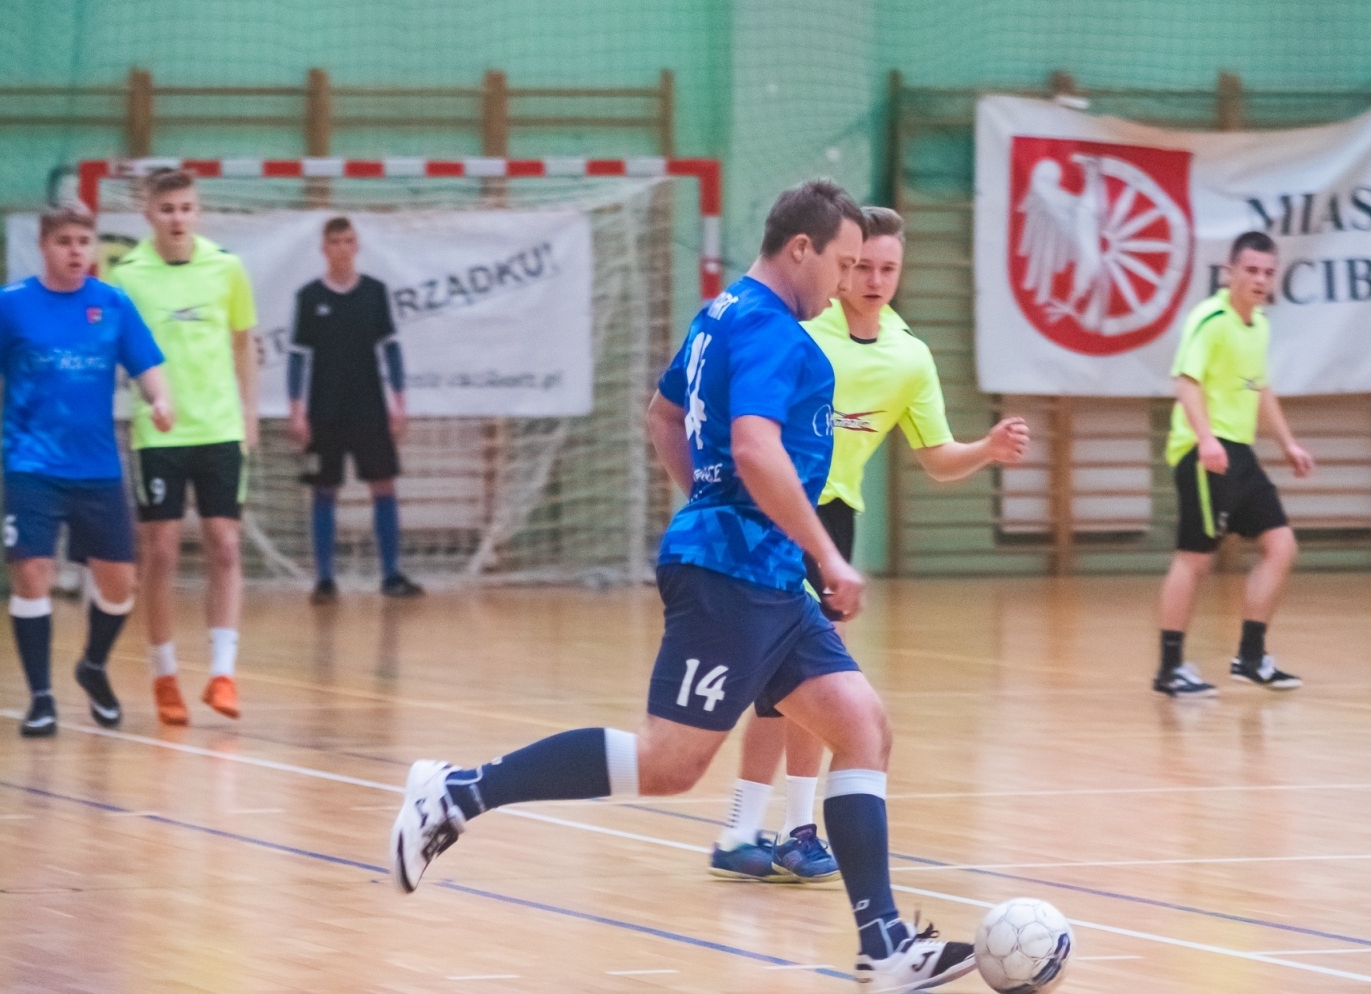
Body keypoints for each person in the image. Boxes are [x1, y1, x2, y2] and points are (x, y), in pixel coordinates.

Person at [389, 180, 978, 992]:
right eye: (842, 264)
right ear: (800, 249)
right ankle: (458, 793)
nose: (848, 283)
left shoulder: (719, 316)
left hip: (761, 571)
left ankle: (883, 945)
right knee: (670, 764)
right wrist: (828, 557)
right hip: (738, 575)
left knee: (864, 726)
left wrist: (711, 508)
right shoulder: (778, 332)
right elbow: (756, 450)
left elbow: (662, 417)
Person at [708, 205, 1030, 883]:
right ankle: (743, 827)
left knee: (806, 682)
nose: (875, 279)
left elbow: (938, 458)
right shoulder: (800, 328)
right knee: (780, 680)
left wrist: (988, 449)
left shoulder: (909, 356)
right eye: (863, 265)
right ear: (842, 264)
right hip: (778, 514)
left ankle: (794, 830)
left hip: (836, 520)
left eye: (889, 268)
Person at [0, 205, 172, 736]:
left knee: (119, 586)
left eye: (84, 241)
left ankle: (93, 666)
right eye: (65, 241)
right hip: (31, 463)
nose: (76, 251)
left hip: (97, 468)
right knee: (32, 574)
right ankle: (42, 698)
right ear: (44, 247)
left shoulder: (112, 304)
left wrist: (161, 400)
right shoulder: (10, 306)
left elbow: (148, 366)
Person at [110, 168, 258, 724]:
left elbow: (245, 344)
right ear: (149, 214)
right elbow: (120, 354)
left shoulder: (227, 268)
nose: (177, 217)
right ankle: (164, 674)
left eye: (186, 207)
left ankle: (223, 674)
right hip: (160, 435)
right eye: (166, 208)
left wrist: (248, 416)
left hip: (219, 428)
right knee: (163, 552)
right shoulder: (128, 276)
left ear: (199, 212)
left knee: (224, 545)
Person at [1153, 230, 1315, 697]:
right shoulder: (1211, 319)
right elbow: (1186, 383)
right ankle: (1169, 668)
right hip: (1203, 452)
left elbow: (1259, 388)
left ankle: (1250, 656)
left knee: (1281, 546)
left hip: (1239, 452)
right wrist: (1205, 440)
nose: (1260, 279)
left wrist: (1287, 443)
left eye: (1268, 272)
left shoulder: (1258, 326)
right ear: (1230, 272)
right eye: (1251, 270)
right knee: (1194, 559)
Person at [287, 216, 421, 602]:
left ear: (357, 245)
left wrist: (399, 402)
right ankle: (325, 580)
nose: (342, 249)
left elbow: (391, 350)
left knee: (384, 484)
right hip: (324, 409)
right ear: (324, 249)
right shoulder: (309, 297)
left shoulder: (375, 292)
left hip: (370, 407)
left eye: (348, 241)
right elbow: (298, 357)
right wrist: (297, 410)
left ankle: (392, 576)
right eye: (335, 242)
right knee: (324, 489)